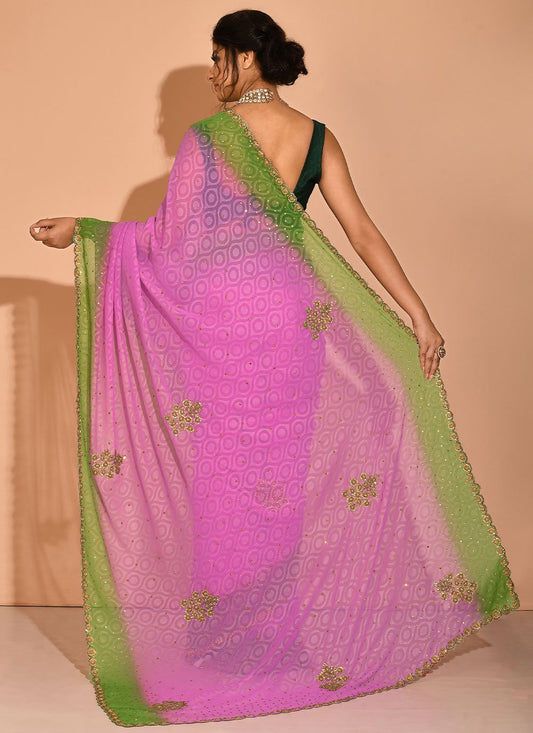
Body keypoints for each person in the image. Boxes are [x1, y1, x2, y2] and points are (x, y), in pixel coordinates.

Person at [27, 8, 519, 728]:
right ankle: (273, 634)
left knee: (224, 474)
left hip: (223, 329)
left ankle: (230, 637)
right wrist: (418, 314)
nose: (211, 73)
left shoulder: (209, 138)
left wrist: (87, 230)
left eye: (218, 58)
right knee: (278, 476)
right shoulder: (317, 137)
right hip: (293, 324)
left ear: (247, 60)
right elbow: (361, 231)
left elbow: (169, 242)